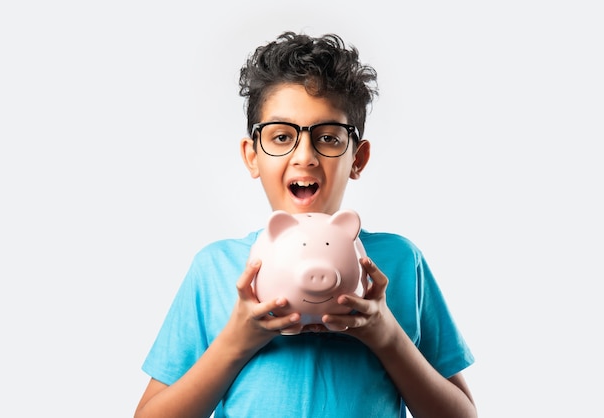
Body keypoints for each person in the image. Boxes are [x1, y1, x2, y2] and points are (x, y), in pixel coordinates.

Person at [134, 31, 477, 418]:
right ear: (252, 156)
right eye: (281, 136)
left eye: (328, 137)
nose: (305, 156)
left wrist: (386, 336)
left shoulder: (399, 262)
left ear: (358, 159)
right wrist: (236, 341)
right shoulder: (215, 268)